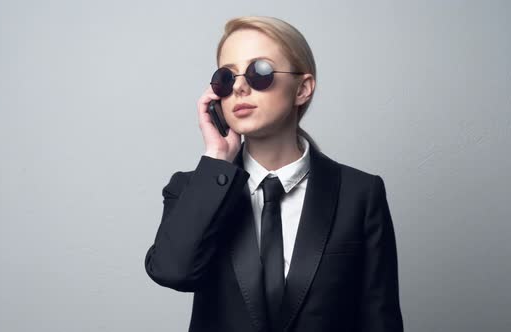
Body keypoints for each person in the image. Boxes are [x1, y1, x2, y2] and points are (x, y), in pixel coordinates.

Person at [144, 15, 404, 332]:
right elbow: (173, 271)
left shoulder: (360, 194)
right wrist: (217, 159)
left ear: (302, 89)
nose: (239, 87)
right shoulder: (192, 188)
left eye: (260, 72)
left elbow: (381, 318)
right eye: (226, 78)